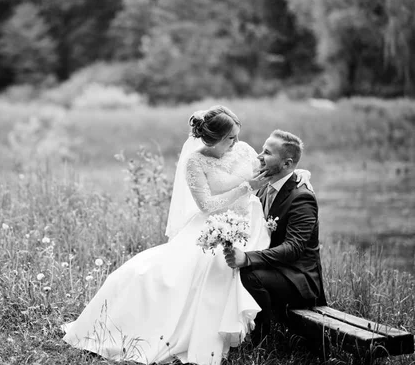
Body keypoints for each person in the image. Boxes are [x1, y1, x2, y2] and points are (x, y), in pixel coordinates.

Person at [61, 106, 312, 365]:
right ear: (213, 140)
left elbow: (278, 167)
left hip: (249, 224)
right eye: (230, 138)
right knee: (151, 273)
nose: (237, 142)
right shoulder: (195, 162)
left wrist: (299, 173)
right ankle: (144, 329)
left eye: (238, 135)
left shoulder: (244, 150)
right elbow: (207, 206)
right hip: (213, 223)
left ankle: (235, 331)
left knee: (219, 268)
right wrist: (245, 188)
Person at [224, 129, 327, 346]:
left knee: (247, 275)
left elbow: (293, 248)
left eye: (267, 153)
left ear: (287, 164)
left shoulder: (302, 198)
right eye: (262, 150)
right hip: (274, 268)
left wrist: (248, 258)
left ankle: (261, 341)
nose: (259, 156)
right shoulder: (264, 189)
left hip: (298, 278)